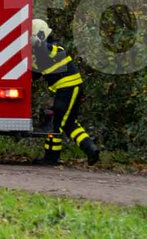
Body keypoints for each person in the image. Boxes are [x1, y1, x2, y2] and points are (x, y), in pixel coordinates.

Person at [30, 18, 100, 165]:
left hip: (67, 90)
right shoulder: (41, 57)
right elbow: (33, 75)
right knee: (68, 124)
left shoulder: (56, 47)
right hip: (69, 90)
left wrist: (36, 42)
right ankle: (90, 148)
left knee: (56, 124)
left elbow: (48, 49)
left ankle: (51, 158)